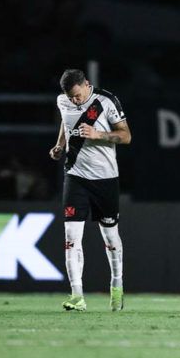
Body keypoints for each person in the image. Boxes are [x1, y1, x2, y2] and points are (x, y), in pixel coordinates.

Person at [49, 69, 131, 311]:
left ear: (87, 84)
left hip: (105, 179)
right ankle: (77, 296)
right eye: (70, 97)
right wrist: (59, 145)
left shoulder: (106, 101)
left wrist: (98, 134)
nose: (74, 100)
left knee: (110, 237)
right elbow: (66, 122)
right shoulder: (62, 100)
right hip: (75, 176)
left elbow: (126, 136)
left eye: (77, 96)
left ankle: (117, 287)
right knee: (71, 237)